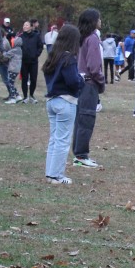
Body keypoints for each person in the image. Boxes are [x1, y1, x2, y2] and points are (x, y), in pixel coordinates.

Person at [42, 24, 84, 184]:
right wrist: (81, 79)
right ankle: (56, 175)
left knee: (54, 139)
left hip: (51, 100)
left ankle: (50, 173)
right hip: (66, 101)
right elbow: (73, 82)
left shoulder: (53, 56)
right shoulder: (69, 58)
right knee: (63, 140)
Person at [72, 8, 105, 169]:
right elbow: (94, 66)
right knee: (86, 118)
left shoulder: (80, 38)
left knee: (79, 119)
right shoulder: (92, 39)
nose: (100, 21)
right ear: (93, 21)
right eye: (99, 18)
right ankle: (81, 155)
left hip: (79, 82)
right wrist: (101, 81)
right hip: (89, 84)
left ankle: (78, 153)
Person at [20, 18, 44, 102]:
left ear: (31, 27)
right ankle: (25, 96)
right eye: (24, 25)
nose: (24, 26)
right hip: (24, 61)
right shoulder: (21, 37)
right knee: (24, 79)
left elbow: (40, 46)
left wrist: (36, 55)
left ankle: (31, 95)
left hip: (33, 61)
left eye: (26, 25)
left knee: (33, 79)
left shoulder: (36, 36)